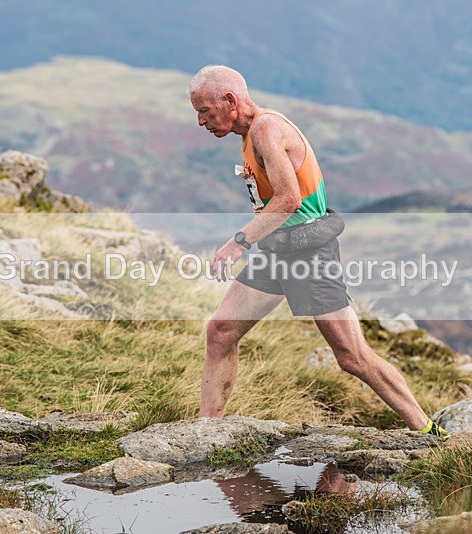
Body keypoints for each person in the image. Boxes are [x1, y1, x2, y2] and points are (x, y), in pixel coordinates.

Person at [188, 65, 449, 438]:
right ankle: (205, 431)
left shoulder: (266, 129)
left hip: (309, 253)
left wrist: (238, 243)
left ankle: (429, 432)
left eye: (205, 111)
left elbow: (289, 200)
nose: (201, 121)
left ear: (230, 100)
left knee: (352, 357)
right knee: (220, 331)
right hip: (277, 251)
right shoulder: (249, 133)